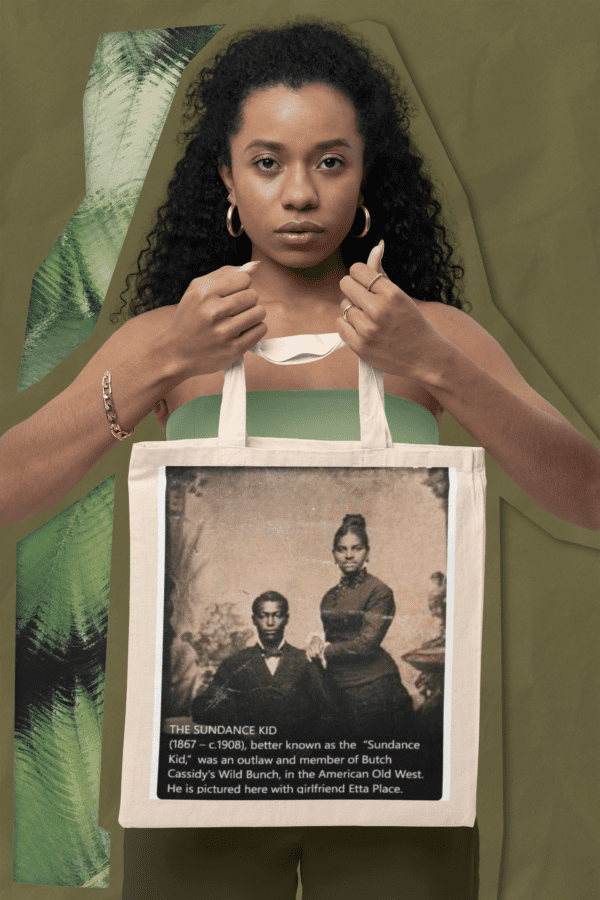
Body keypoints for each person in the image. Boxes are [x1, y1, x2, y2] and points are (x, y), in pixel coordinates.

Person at [2, 16, 599, 900]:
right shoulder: (167, 339)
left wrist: (433, 363)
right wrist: (160, 363)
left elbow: (586, 496)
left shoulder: (434, 334)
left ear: (364, 181)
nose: (300, 194)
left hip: (395, 772)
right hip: (208, 779)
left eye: (329, 161)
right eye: (268, 162)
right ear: (228, 184)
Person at [306, 514, 414, 740]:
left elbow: (366, 644)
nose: (348, 555)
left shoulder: (379, 591)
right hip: (337, 688)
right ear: (333, 555)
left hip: (374, 688)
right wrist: (316, 642)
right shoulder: (329, 597)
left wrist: (325, 650)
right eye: (341, 549)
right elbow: (335, 637)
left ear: (367, 553)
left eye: (356, 548)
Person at [190, 591, 333, 737]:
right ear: (254, 619)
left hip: (294, 754)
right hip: (248, 753)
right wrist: (239, 728)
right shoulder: (235, 663)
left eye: (277, 615)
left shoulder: (305, 661)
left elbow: (328, 711)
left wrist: (308, 744)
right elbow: (204, 707)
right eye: (263, 616)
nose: (270, 623)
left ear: (286, 619)